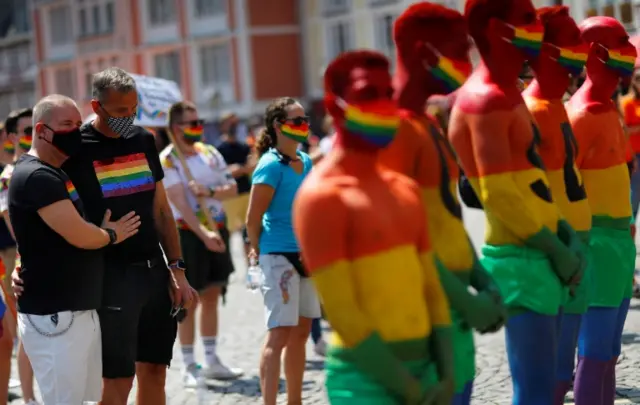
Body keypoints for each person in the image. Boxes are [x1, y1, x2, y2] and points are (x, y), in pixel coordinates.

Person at [14, 68, 197, 405]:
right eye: (119, 112)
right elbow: (46, 215)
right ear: (96, 107)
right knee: (118, 382)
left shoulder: (144, 140)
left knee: (155, 373)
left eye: (133, 109)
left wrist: (177, 269)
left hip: (153, 273)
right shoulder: (73, 148)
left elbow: (161, 210)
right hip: (107, 279)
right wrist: (22, 264)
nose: (129, 118)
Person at [293, 49, 454, 405]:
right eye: (369, 95)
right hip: (365, 384)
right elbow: (343, 314)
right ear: (337, 106)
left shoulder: (404, 189)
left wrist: (446, 371)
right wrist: (410, 389)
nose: (384, 106)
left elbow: (431, 285)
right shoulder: (321, 197)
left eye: (389, 94)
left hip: (426, 370)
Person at [449, 0, 584, 403]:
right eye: (526, 20)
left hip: (540, 251)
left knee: (550, 384)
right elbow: (500, 196)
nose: (536, 30)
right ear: (495, 28)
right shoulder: (484, 99)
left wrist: (563, 236)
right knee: (537, 391)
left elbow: (536, 180)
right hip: (520, 258)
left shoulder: (509, 94)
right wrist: (556, 248)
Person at [377, 4, 507, 404]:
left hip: (451, 308)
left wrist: (480, 277)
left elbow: (447, 215)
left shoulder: (428, 124)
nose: (468, 62)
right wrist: (462, 295)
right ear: (425, 53)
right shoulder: (391, 129)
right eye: (458, 50)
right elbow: (396, 239)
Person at [9, 94, 140, 404]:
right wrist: (112, 234)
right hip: (56, 314)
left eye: (78, 124)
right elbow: (80, 236)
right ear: (41, 130)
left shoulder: (56, 171)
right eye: (66, 124)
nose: (75, 131)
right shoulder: (36, 176)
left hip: (74, 310)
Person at [521, 7, 592, 404]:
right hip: (554, 249)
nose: (576, 67)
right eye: (570, 56)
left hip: (578, 242)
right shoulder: (531, 111)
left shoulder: (558, 105)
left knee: (567, 361)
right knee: (550, 367)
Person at [566, 17, 637, 405]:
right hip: (595, 245)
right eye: (620, 43)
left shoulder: (609, 110)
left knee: (609, 353)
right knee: (593, 354)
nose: (629, 53)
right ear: (596, 53)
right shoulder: (578, 117)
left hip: (619, 245)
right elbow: (563, 186)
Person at [160, 101, 242, 386]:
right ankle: (188, 364)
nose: (197, 127)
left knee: (212, 295)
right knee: (189, 300)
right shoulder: (168, 160)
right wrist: (203, 234)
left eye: (199, 121)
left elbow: (231, 187)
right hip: (187, 234)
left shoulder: (210, 153)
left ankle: (211, 359)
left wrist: (209, 191)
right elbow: (178, 201)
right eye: (190, 122)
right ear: (175, 128)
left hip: (218, 227)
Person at [245, 97, 321, 405]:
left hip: (307, 256)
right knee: (279, 335)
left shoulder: (307, 160)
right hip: (279, 257)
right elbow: (252, 219)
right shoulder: (270, 165)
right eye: (297, 120)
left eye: (305, 119)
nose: (304, 125)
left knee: (302, 333)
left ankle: (295, 401)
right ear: (278, 126)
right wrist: (256, 251)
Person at [1, 108, 37, 405]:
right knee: (27, 330)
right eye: (27, 131)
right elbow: (15, 225)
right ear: (12, 137)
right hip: (23, 258)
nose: (34, 135)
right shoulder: (9, 176)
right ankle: (28, 397)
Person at [216, 111, 255, 258]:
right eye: (230, 122)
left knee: (247, 234)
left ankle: (249, 269)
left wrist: (240, 169)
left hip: (245, 193)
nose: (234, 126)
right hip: (229, 197)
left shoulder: (244, 146)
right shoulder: (218, 149)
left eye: (235, 122)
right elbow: (224, 173)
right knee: (231, 234)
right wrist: (241, 169)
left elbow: (250, 166)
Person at [620, 69, 640, 217]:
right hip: (634, 154)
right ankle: (630, 224)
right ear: (634, 82)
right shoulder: (626, 102)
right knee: (634, 191)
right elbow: (623, 130)